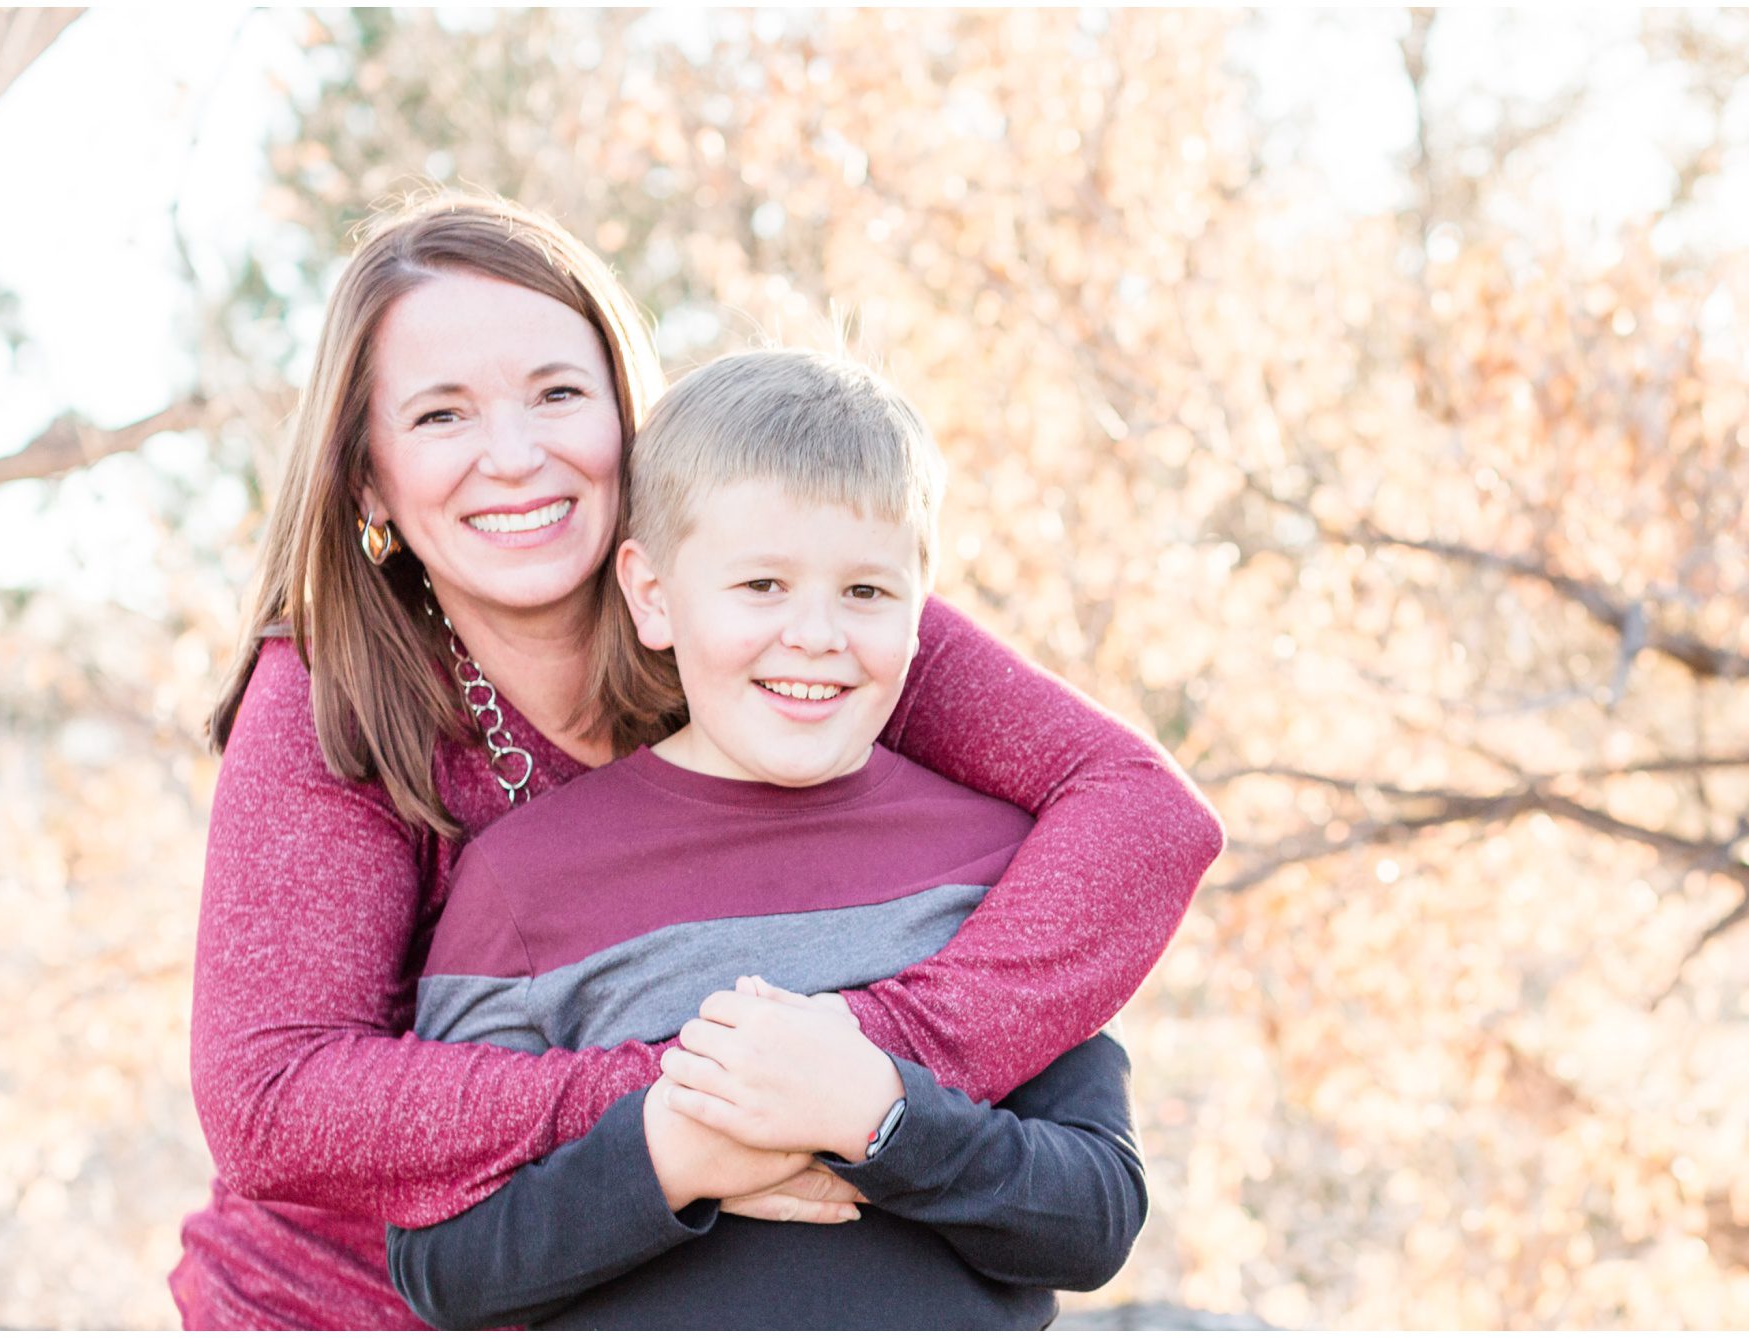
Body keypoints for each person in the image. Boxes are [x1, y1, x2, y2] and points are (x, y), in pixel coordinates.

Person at [170, 191, 1223, 1330]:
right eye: (440, 417)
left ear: (631, 417)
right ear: (367, 478)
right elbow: (271, 1104)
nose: (514, 456)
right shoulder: (339, 693)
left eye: (558, 395)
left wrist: (867, 1068)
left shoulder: (788, 616)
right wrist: (699, 1103)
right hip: (348, 1304)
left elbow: (1139, 812)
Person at [387, 349, 1147, 1328]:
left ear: (923, 603)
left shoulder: (1001, 862)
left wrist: (879, 1118)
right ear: (654, 596)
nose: (817, 634)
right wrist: (672, 1158)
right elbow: (440, 1267)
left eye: (865, 593)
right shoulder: (523, 883)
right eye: (761, 586)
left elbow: (1093, 1220)